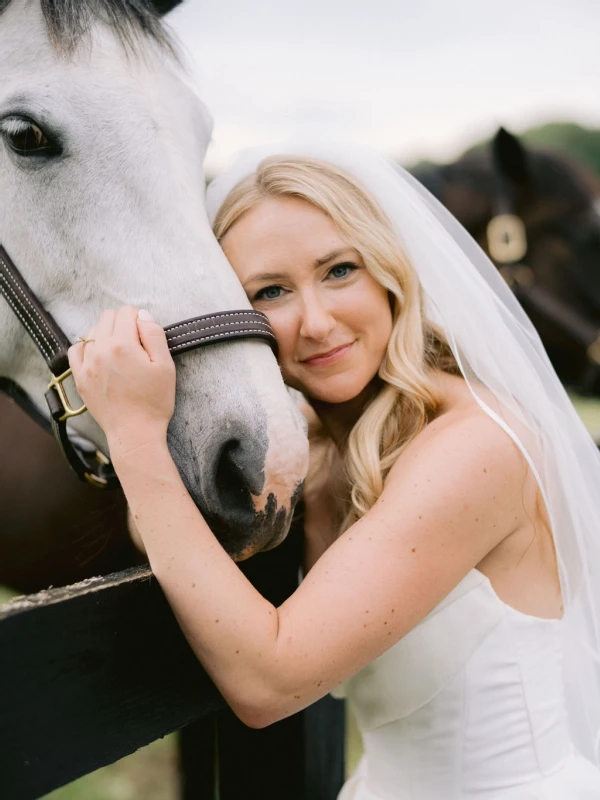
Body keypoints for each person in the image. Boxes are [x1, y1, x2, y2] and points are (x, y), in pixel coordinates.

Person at [68, 141, 600, 798]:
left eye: (339, 271)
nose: (317, 323)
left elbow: (269, 681)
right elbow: (169, 538)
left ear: (389, 271)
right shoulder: (309, 451)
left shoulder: (478, 447)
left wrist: (134, 436)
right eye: (270, 291)